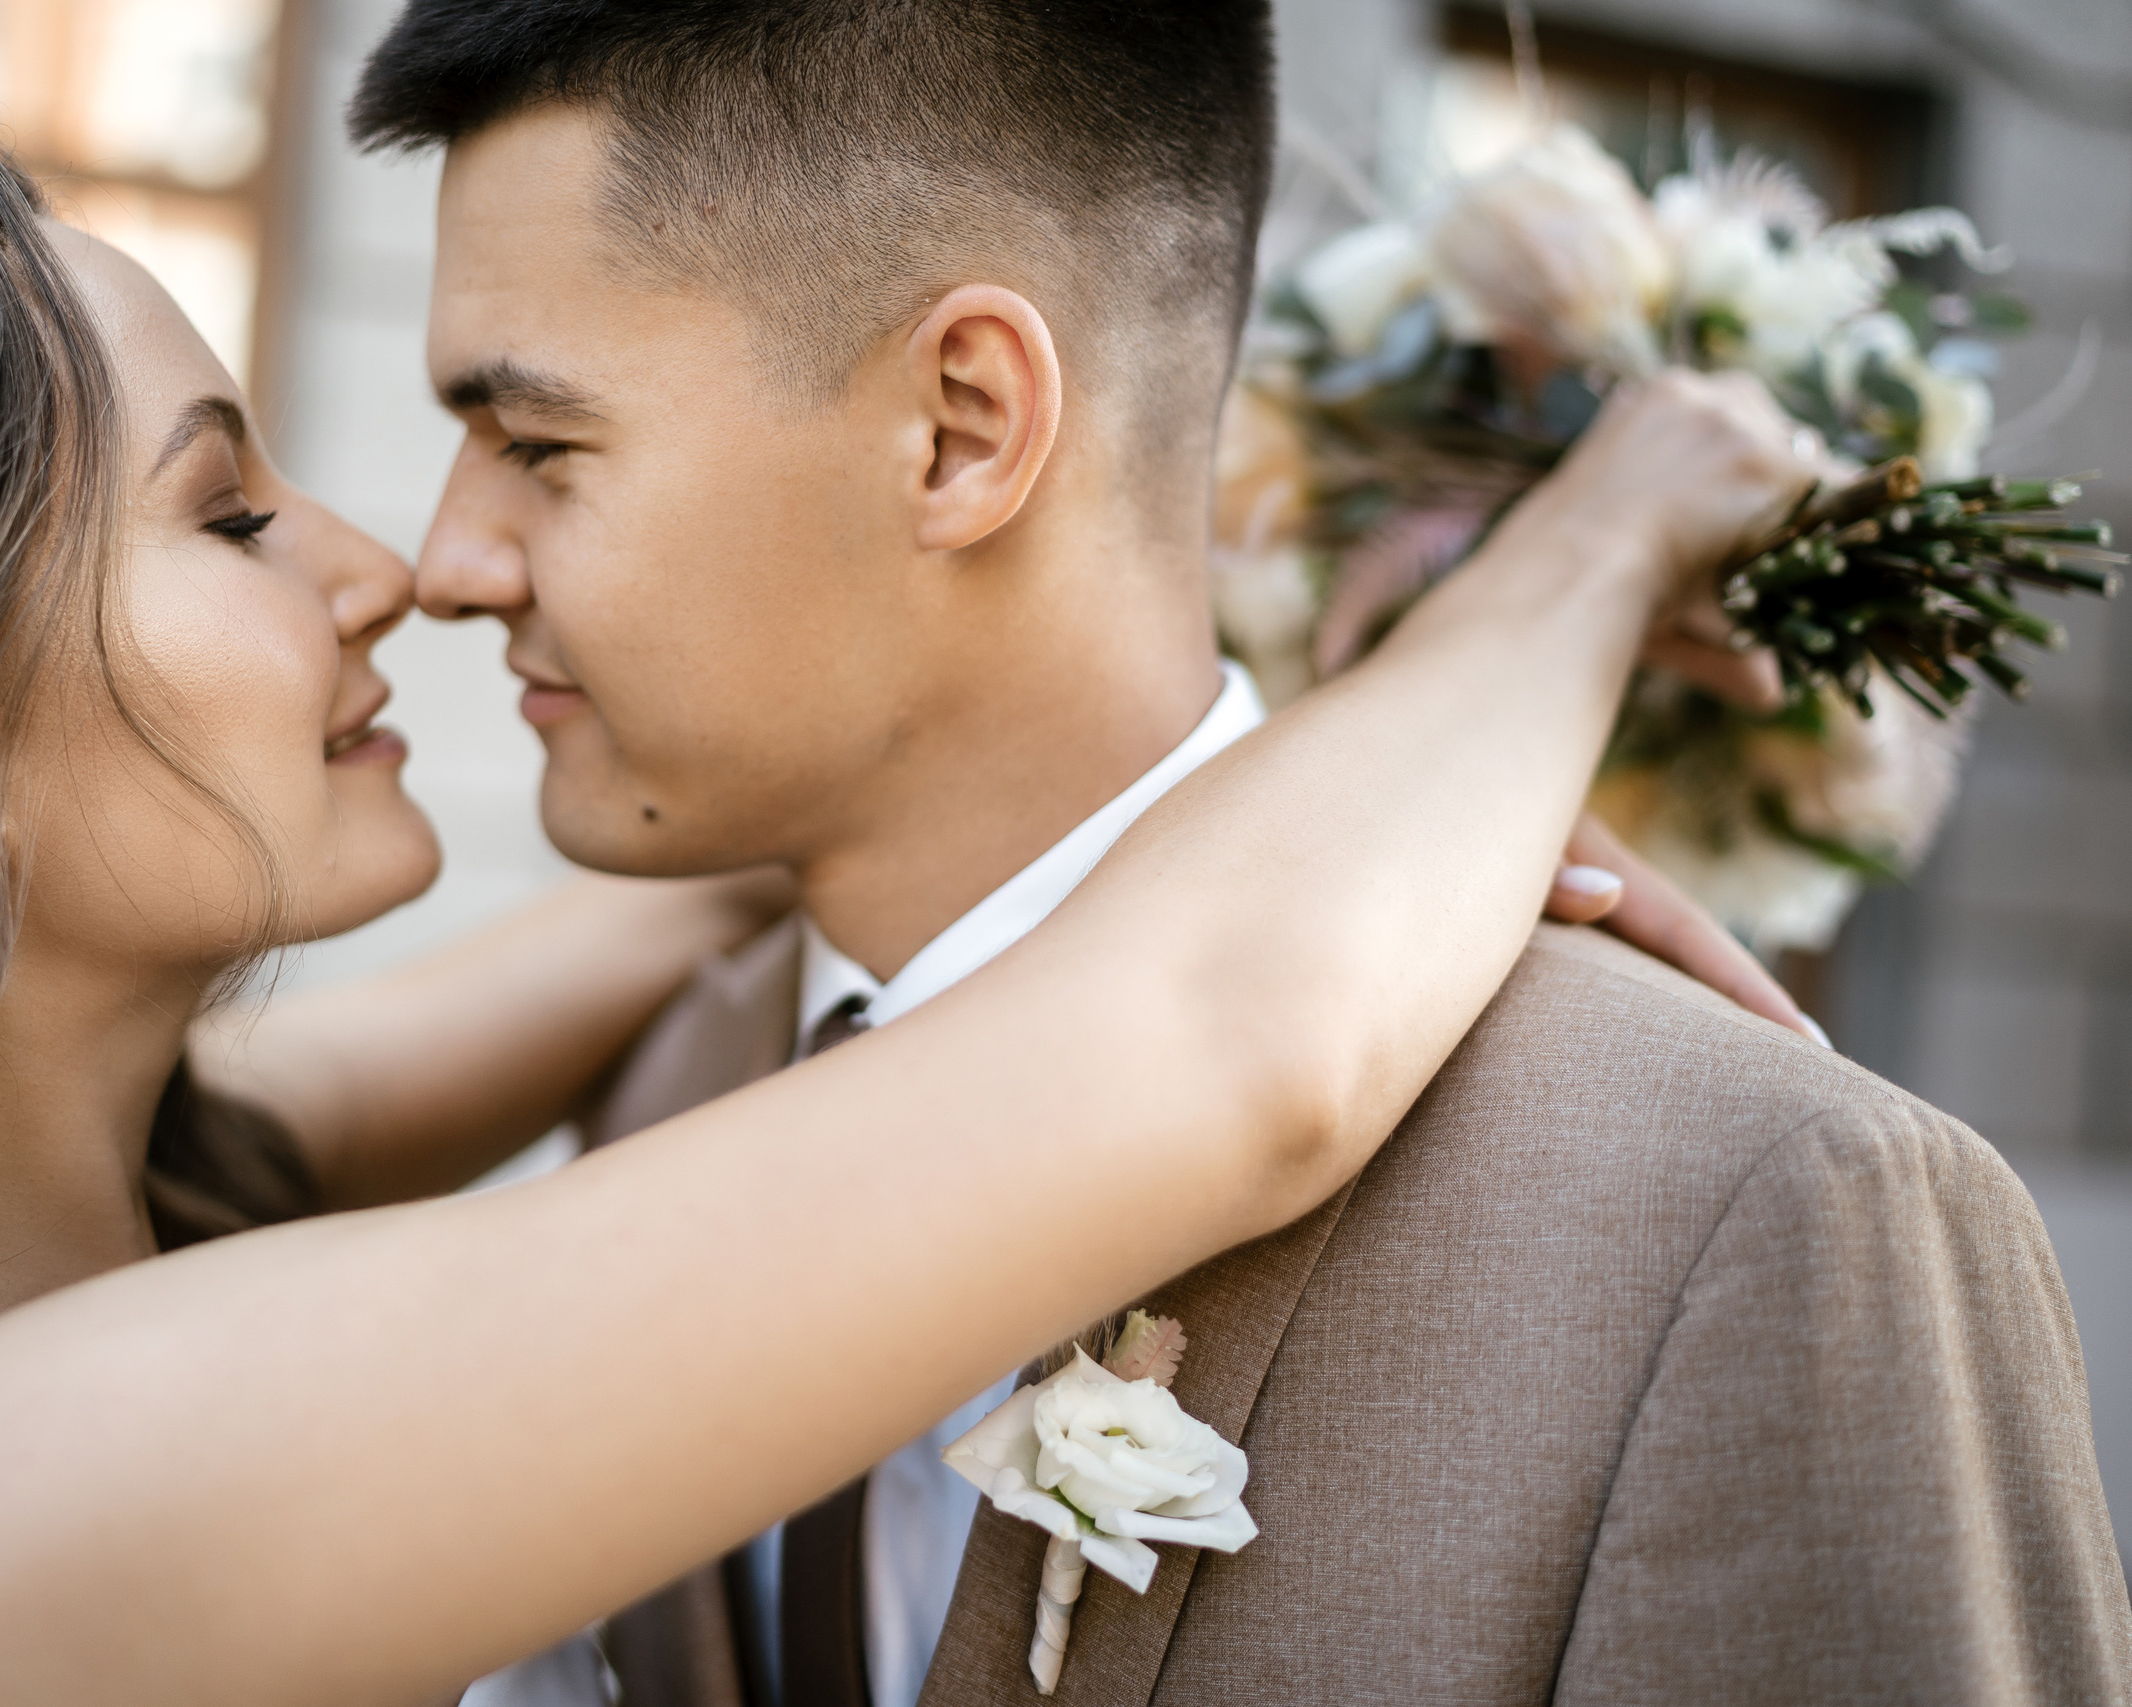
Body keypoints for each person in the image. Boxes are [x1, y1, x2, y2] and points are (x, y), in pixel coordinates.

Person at [0, 120, 1850, 1704]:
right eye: (228, 515)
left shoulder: (136, 1183)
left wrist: (1166, 728)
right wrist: (1593, 542)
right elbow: (1227, 1037)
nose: (386, 566)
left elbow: (779, 881)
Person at [340, 2, 2132, 1702]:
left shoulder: (1756, 1205)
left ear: (962, 426)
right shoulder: (675, 1074)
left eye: (536, 442)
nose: (446, 563)